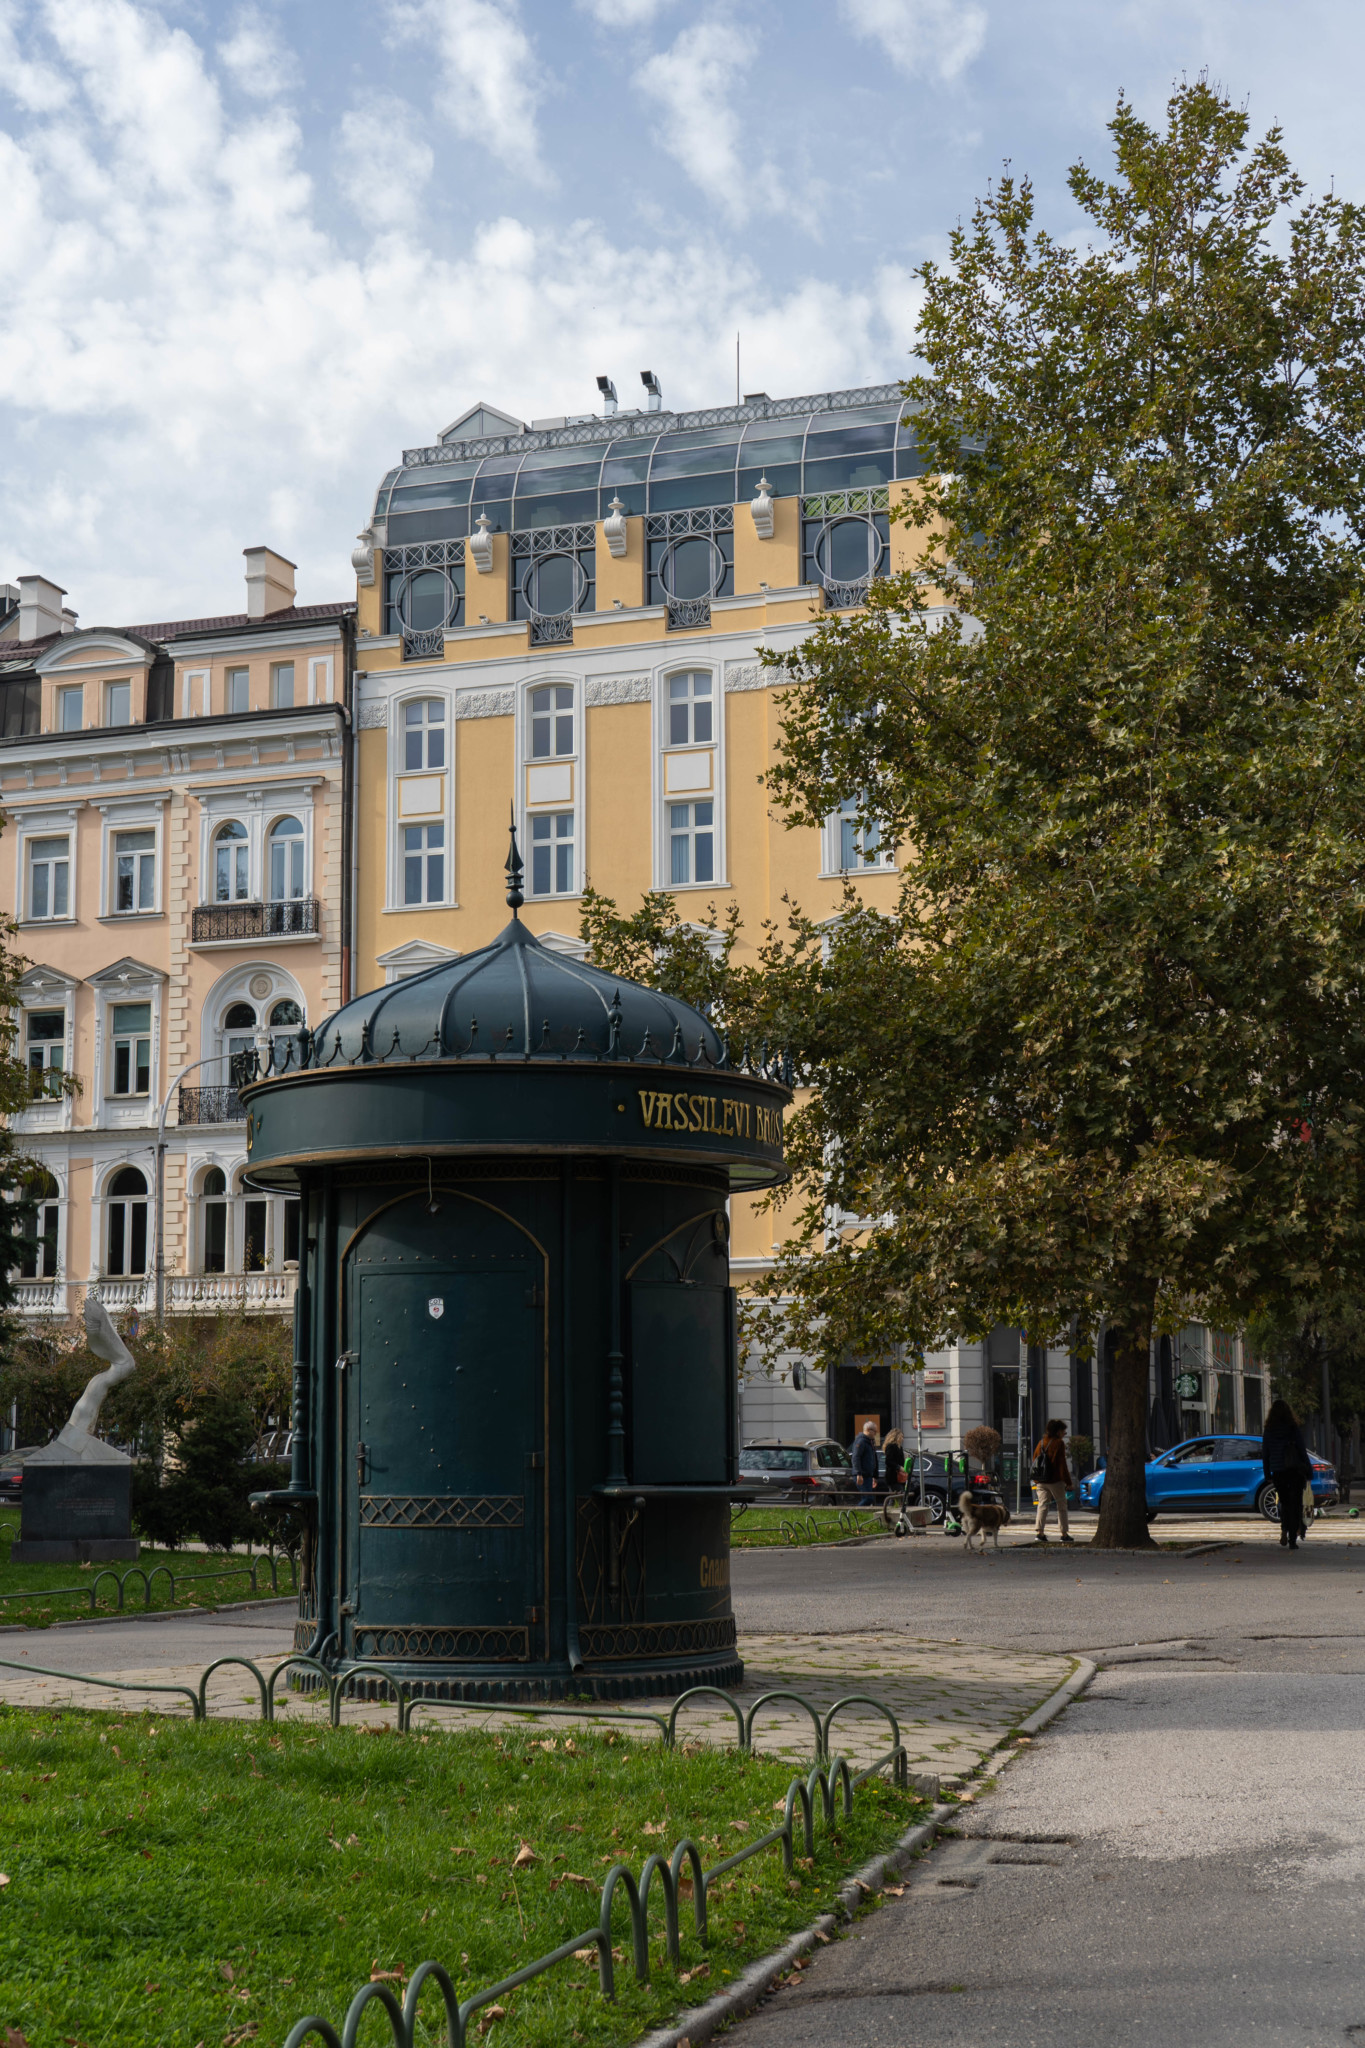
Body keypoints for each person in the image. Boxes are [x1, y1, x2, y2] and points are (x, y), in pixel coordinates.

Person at [1262, 1397, 1312, 1549]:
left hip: (1278, 1472)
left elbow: (1265, 1453)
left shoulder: (1269, 1430)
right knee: (1295, 1504)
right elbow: (1302, 1450)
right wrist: (1308, 1469)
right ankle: (1292, 1540)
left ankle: (1284, 1529)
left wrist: (1267, 1474)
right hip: (1295, 1471)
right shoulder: (1292, 1428)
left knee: (1284, 1503)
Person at [1032, 1418, 1075, 1544]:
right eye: (1063, 1431)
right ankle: (1064, 1534)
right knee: (1061, 1507)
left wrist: (1036, 1479)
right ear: (1057, 1432)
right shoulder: (1059, 1443)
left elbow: (1035, 1460)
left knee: (1042, 1506)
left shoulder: (1041, 1442)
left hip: (1041, 1480)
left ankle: (1039, 1533)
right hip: (1055, 1481)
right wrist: (1068, 1482)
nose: (1064, 1434)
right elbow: (1062, 1465)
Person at [851, 1419, 880, 1498]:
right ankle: (855, 1510)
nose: (876, 1433)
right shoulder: (861, 1441)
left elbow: (874, 1459)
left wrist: (875, 1476)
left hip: (868, 1475)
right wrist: (858, 1474)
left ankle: (860, 1510)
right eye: (874, 1431)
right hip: (862, 1475)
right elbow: (856, 1457)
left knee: (870, 1499)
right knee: (868, 1498)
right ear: (868, 1430)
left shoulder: (870, 1442)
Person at [883, 1428, 907, 1496]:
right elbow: (888, 1461)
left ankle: (893, 1506)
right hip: (893, 1476)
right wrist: (899, 1467)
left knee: (896, 1496)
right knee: (897, 1495)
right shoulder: (891, 1446)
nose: (902, 1439)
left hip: (900, 1477)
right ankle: (892, 1506)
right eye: (901, 1436)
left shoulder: (900, 1447)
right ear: (896, 1436)